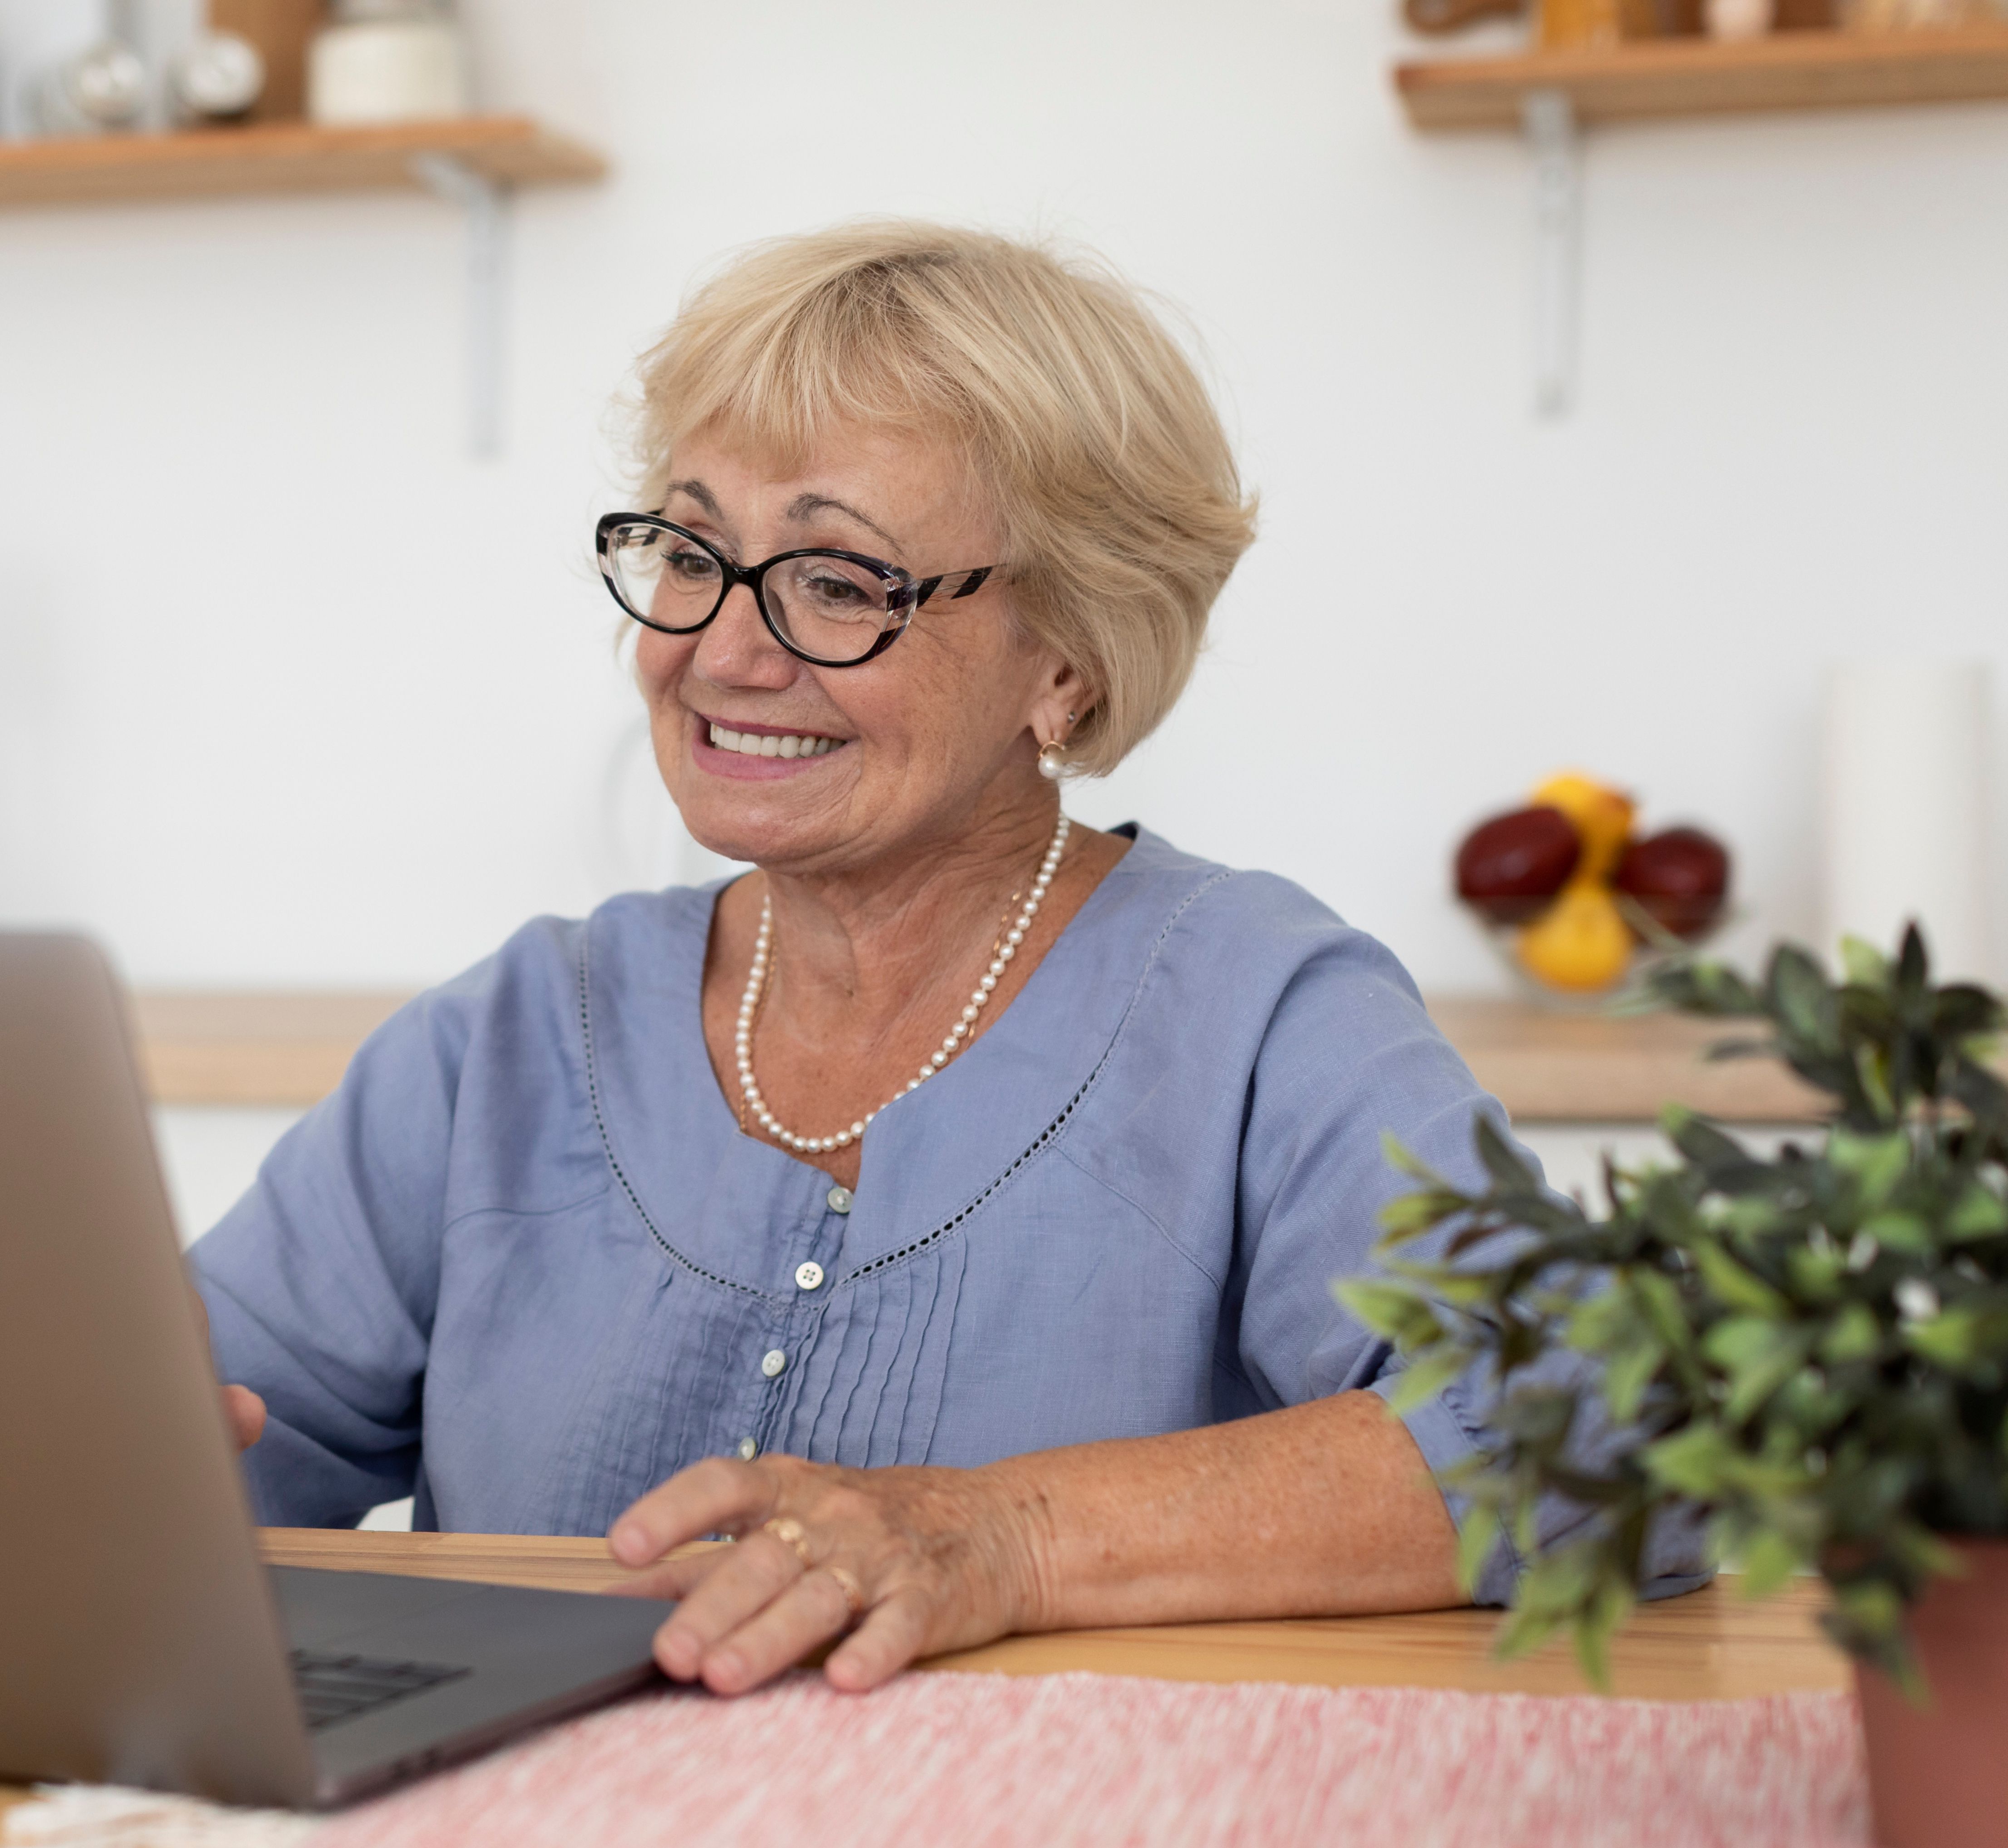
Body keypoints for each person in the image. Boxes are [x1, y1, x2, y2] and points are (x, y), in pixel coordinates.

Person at [195, 220, 1701, 1700]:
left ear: (1068, 662)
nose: (722, 651)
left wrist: (1002, 1538)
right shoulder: (515, 1036)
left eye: (840, 582)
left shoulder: (1258, 1011)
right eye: (690, 549)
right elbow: (208, 1447)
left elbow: (1604, 1435)